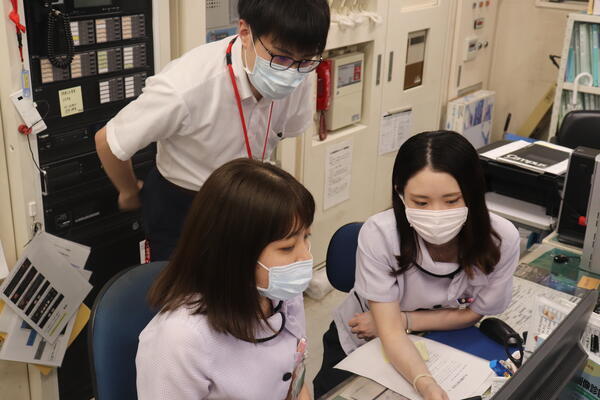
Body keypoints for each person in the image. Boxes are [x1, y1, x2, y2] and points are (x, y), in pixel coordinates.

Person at [95, 0, 330, 261]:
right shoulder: (186, 86)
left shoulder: (300, 74)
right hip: (184, 204)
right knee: (182, 295)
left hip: (247, 200)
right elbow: (108, 141)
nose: (291, 72)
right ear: (245, 32)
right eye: (281, 57)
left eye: (305, 61)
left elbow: (285, 129)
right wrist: (129, 192)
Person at [313, 131, 520, 400]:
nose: (436, 214)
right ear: (400, 194)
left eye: (452, 200)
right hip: (365, 340)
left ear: (473, 192)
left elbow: (474, 313)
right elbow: (389, 331)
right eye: (421, 202)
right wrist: (425, 384)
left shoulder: (501, 239)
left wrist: (405, 320)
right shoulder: (380, 235)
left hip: (439, 342)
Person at [136, 158, 315, 399]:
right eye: (287, 247)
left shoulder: (280, 293)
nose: (305, 256)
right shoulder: (180, 339)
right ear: (235, 251)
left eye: (306, 237)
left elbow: (295, 375)